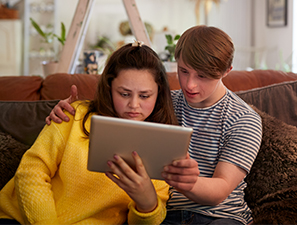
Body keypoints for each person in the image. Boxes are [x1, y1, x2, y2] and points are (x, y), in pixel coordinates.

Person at [44, 25, 262, 225]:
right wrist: (71, 112)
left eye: (203, 76)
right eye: (184, 71)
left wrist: (185, 181)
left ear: (227, 71)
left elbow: (220, 190)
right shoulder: (163, 102)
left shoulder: (244, 119)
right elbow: (121, 107)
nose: (190, 84)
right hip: (163, 214)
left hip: (220, 216)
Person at [0, 42, 179, 225]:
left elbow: (145, 221)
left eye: (144, 96)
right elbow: (31, 171)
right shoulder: (74, 115)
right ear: (109, 87)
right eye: (124, 94)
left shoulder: (160, 144)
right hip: (22, 219)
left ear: (159, 93)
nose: (134, 105)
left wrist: (147, 203)